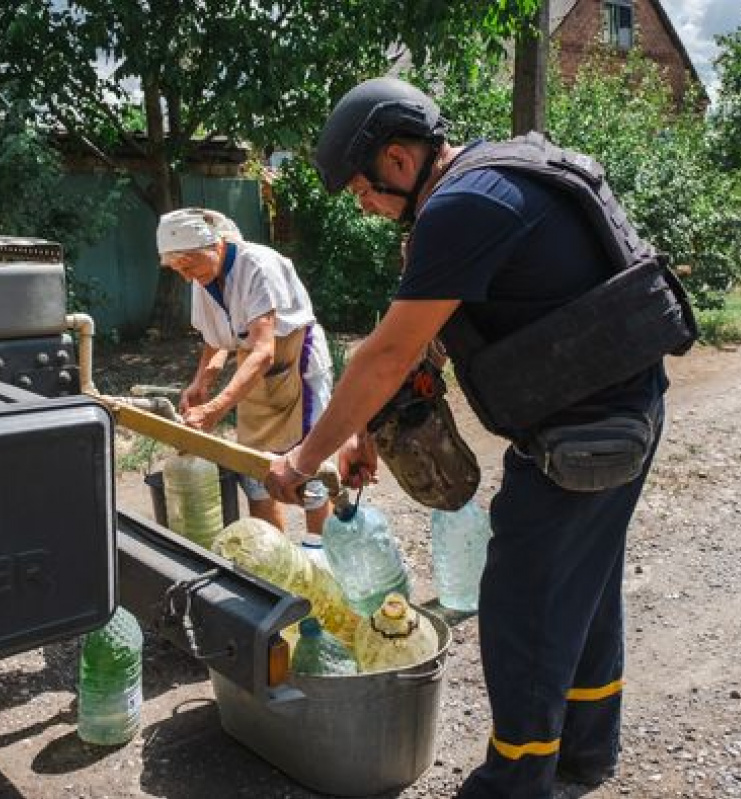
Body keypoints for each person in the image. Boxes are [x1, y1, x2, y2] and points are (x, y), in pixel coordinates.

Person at [264, 77, 675, 799]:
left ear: (398, 158)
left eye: (362, 189)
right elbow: (427, 346)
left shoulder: (459, 206)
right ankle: (585, 751)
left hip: (585, 425)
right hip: (619, 403)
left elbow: (385, 354)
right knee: (584, 581)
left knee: (522, 605)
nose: (362, 206)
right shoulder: (490, 177)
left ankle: (515, 781)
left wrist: (302, 457)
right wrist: (362, 437)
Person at [156, 207, 333, 535]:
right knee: (255, 473)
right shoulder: (202, 277)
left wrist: (214, 409)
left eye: (189, 263)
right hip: (252, 370)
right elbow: (216, 337)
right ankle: (273, 565)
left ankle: (324, 565)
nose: (185, 275)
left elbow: (264, 350)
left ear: (216, 246)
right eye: (178, 268)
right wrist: (201, 382)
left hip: (296, 364)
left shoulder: (257, 265)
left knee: (308, 472)